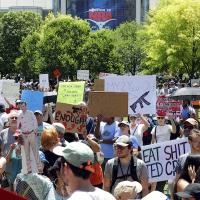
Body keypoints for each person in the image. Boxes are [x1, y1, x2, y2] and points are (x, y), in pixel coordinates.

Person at [17, 101, 42, 173]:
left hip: (31, 133)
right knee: (26, 153)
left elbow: (35, 122)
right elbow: (18, 126)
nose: (23, 107)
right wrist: (20, 134)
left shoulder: (31, 113)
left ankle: (39, 167)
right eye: (21, 106)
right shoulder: (20, 115)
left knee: (35, 151)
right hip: (24, 135)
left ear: (26, 106)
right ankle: (29, 169)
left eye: (24, 106)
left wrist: (34, 131)